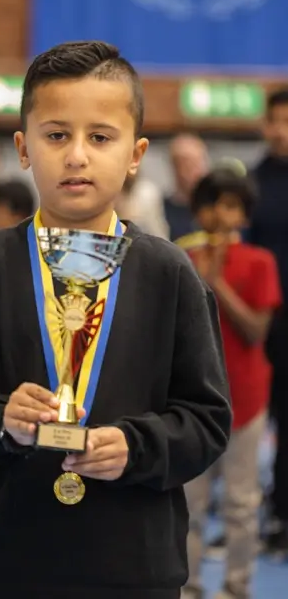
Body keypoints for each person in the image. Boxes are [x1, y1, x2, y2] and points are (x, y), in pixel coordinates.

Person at [0, 41, 231, 599]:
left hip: (132, 569)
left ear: (135, 154)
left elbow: (206, 422)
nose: (77, 156)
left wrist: (136, 445)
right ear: (24, 147)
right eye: (57, 135)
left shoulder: (169, 274)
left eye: (100, 138)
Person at [180, 167, 282, 599]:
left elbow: (257, 331)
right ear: (198, 211)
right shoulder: (182, 259)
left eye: (231, 206)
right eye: (211, 205)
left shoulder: (260, 262)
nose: (220, 214)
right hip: (192, 401)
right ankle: (187, 586)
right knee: (189, 504)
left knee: (241, 505)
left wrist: (217, 283)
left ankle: (237, 587)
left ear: (243, 215)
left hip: (247, 398)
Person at [247, 88, 288, 555]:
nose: (280, 130)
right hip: (260, 323)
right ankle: (254, 512)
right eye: (275, 121)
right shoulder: (253, 184)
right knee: (255, 421)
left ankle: (282, 513)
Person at [164, 133, 209, 241]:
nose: (194, 172)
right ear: (174, 168)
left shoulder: (215, 207)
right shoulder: (162, 209)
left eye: (197, 164)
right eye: (186, 165)